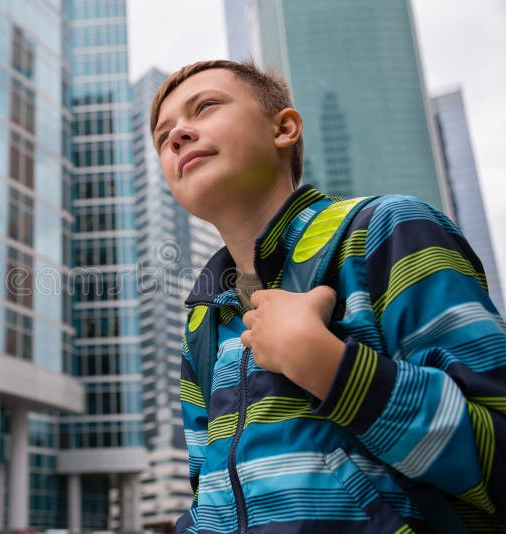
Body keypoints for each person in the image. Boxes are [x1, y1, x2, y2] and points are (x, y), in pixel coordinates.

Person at [150, 59, 506, 533]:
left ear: (285, 129)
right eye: (162, 136)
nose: (177, 136)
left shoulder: (388, 231)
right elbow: (207, 488)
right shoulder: (203, 321)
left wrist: (332, 369)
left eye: (205, 106)